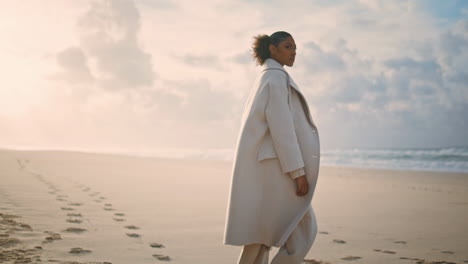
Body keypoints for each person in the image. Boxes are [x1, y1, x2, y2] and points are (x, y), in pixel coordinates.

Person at [223, 31, 321, 264]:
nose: (294, 51)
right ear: (273, 50)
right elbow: (282, 129)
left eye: (295, 47)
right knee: (303, 229)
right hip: (278, 168)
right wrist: (298, 173)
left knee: (262, 234)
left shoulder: (267, 77)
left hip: (269, 166)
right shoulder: (275, 78)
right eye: (288, 46)